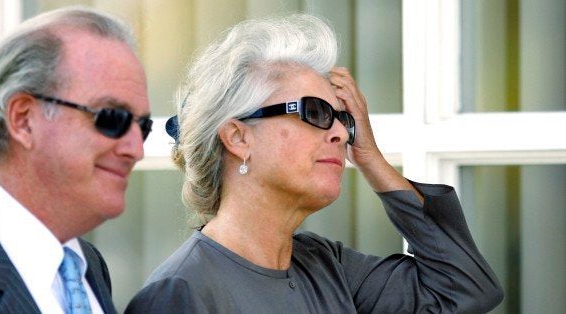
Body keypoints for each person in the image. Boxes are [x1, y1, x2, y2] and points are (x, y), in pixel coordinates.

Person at [125, 14, 503, 313]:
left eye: (344, 119)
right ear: (239, 138)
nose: (341, 133)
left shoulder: (326, 266)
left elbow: (464, 290)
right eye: (316, 112)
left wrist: (371, 158)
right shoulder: (181, 293)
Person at [0, 6, 151, 313]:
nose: (136, 149)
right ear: (23, 119)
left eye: (143, 126)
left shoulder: (84, 265)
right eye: (112, 117)